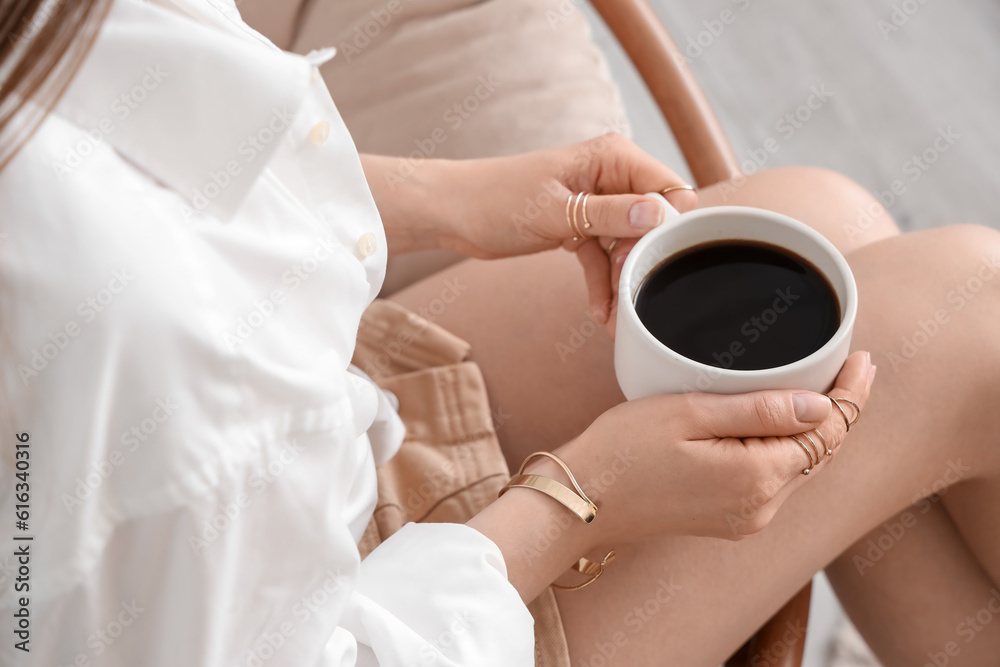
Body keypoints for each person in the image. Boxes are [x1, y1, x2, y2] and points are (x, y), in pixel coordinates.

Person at [0, 1, 997, 665]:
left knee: (829, 231)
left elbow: (132, 151)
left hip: (296, 442)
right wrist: (582, 499)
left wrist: (451, 201)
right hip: (382, 617)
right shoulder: (132, 367)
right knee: (971, 318)